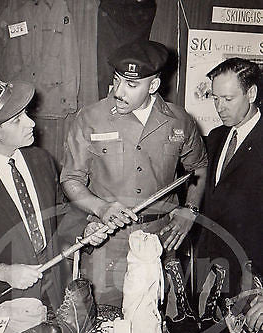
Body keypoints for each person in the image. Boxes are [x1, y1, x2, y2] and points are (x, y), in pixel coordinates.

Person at [60, 40, 208, 307]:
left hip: (161, 239)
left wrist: (191, 210)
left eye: (131, 85)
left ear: (153, 86)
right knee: (105, 322)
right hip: (108, 240)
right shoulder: (90, 118)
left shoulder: (180, 121)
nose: (118, 92)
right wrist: (101, 207)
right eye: (117, 80)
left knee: (154, 321)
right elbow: (71, 179)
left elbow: (197, 167)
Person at [0, 69, 106, 316]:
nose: (31, 122)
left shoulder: (40, 160)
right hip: (3, 303)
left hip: (53, 290)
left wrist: (84, 230)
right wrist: (2, 272)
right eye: (17, 120)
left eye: (25, 113)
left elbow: (60, 214)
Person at [198, 57, 263, 301]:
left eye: (228, 99)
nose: (219, 107)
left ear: (252, 93)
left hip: (251, 279)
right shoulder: (216, 137)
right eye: (215, 98)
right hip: (210, 272)